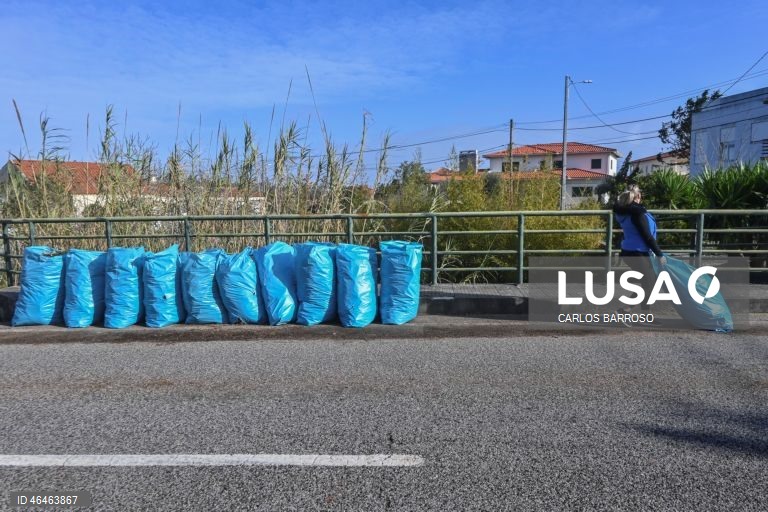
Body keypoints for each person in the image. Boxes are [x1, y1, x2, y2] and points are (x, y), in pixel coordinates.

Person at [613, 185, 666, 314]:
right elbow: (646, 235)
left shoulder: (625, 212)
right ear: (638, 197)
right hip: (638, 252)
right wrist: (659, 254)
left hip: (629, 251)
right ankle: (625, 311)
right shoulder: (637, 213)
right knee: (650, 283)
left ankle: (642, 314)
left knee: (648, 282)